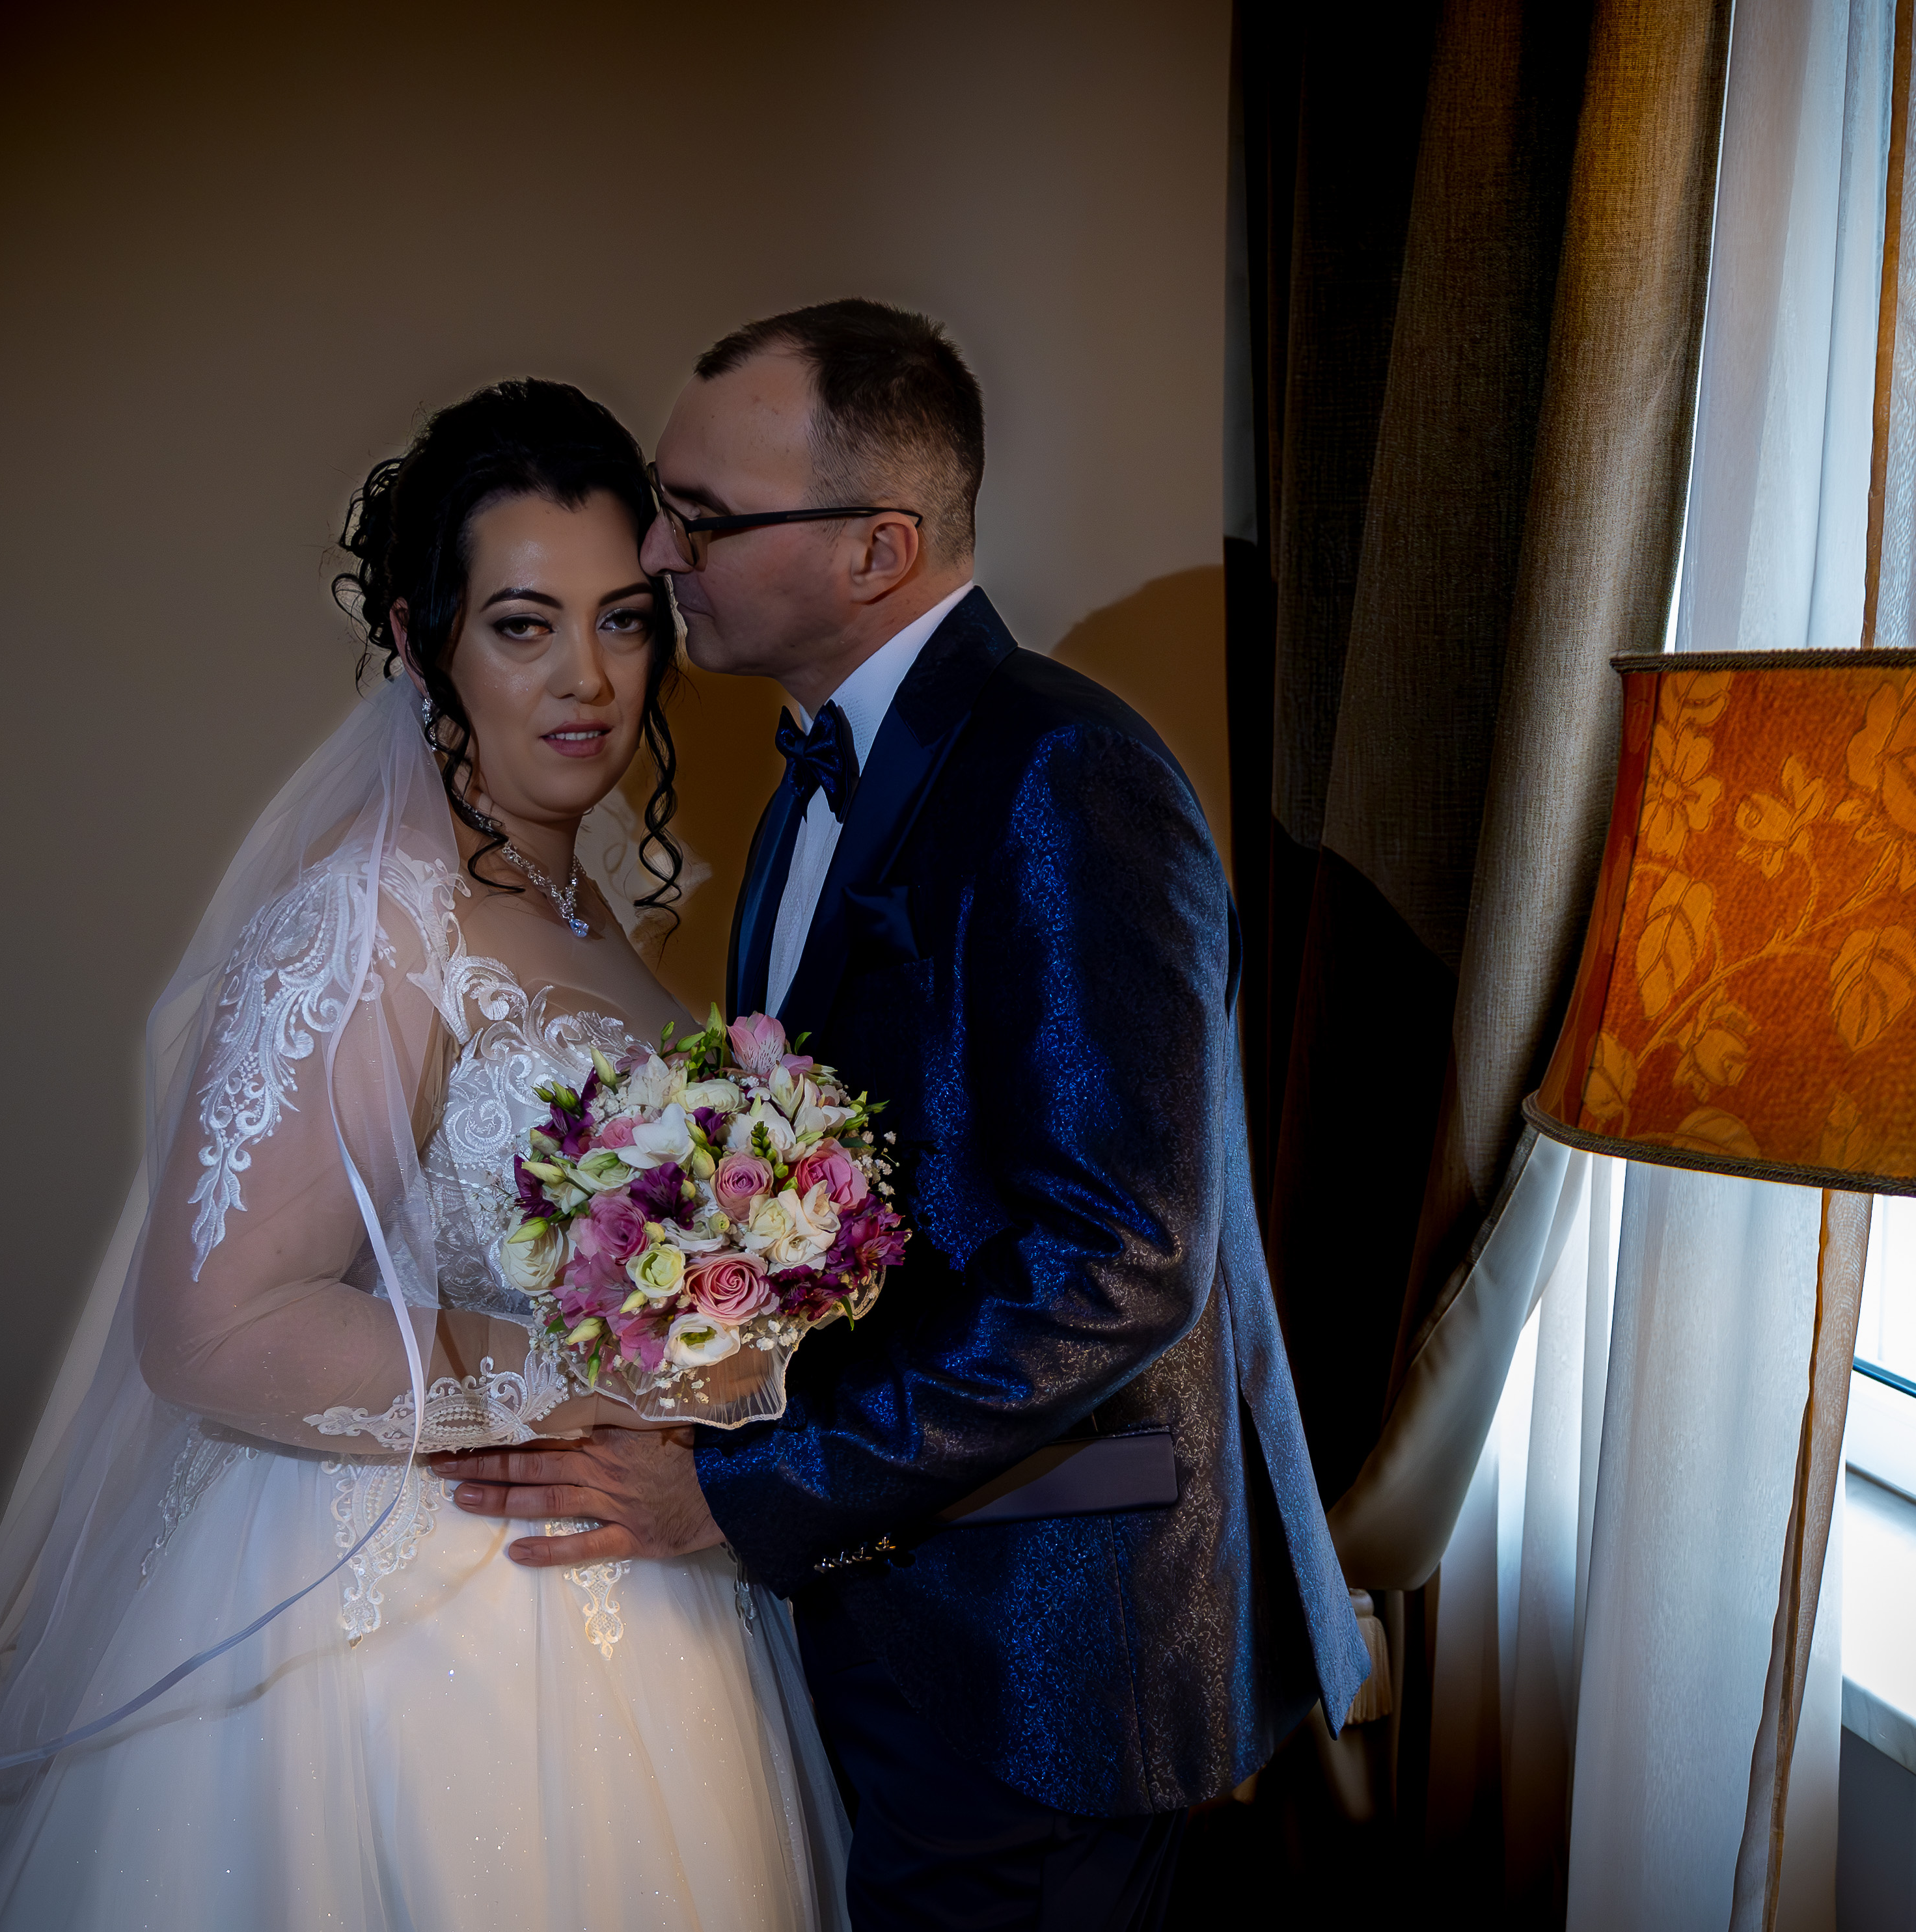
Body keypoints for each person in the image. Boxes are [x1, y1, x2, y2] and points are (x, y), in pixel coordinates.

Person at [434, 301, 1369, 1931]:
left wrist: (745, 1494)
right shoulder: (816, 782)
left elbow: (1123, 1263)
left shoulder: (1065, 776)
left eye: (702, 517)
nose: (656, 552)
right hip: (888, 1597)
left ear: (878, 549)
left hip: (1043, 1643)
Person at [0, 379, 847, 1930]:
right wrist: (598, 1381)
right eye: (524, 626)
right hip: (407, 1626)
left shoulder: (592, 913)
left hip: (638, 1598)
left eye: (623, 622)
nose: (589, 680)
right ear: (423, 643)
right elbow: (214, 1331)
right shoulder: (367, 920)